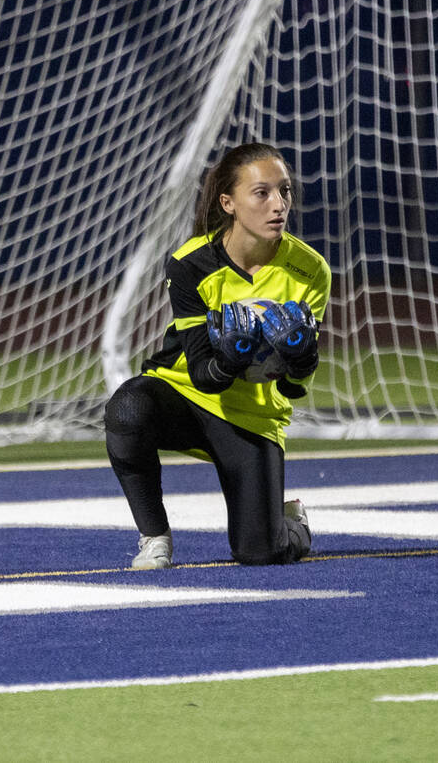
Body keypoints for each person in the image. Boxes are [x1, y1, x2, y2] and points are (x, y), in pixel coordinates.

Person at [104, 142, 331, 569]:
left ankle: (293, 523)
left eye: (284, 191)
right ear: (228, 203)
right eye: (261, 193)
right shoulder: (190, 264)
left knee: (260, 553)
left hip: (253, 417)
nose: (278, 204)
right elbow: (206, 375)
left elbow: (293, 387)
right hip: (187, 393)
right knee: (128, 409)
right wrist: (229, 357)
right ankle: (154, 538)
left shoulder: (310, 270)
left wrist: (301, 357)